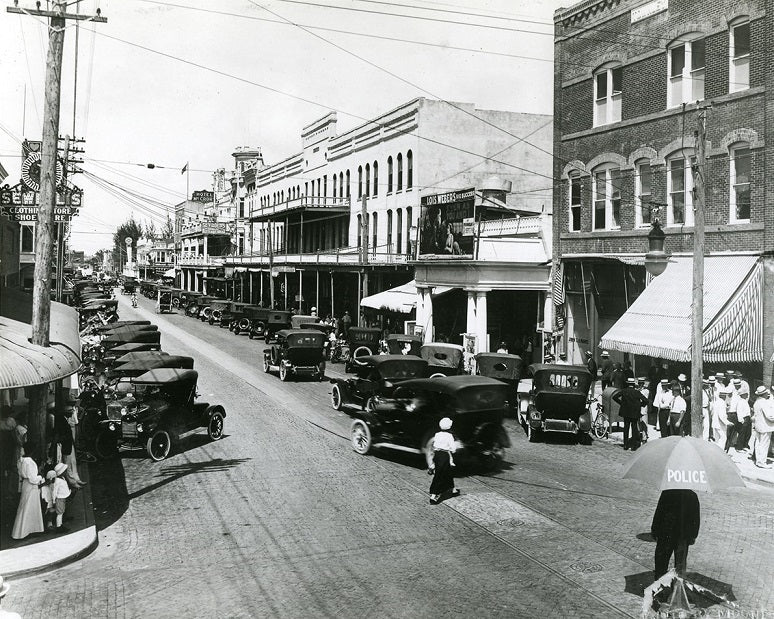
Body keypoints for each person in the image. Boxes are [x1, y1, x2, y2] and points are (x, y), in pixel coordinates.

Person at [651, 489, 700, 580]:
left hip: (666, 534)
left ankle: (659, 585)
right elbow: (695, 518)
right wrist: (693, 535)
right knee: (680, 567)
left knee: (661, 564)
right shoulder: (692, 495)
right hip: (682, 536)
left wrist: (654, 530)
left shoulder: (667, 493)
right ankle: (677, 587)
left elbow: (659, 512)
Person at [11, 440, 44, 540]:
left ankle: (27, 530)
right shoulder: (29, 462)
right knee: (29, 508)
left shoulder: (21, 460)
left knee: (26, 507)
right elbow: (33, 479)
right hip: (31, 486)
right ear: (32, 450)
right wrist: (40, 477)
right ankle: (25, 531)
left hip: (26, 485)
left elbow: (21, 474)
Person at [427, 417, 460, 505]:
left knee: (448, 472)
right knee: (440, 474)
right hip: (444, 456)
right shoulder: (449, 436)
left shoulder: (437, 434)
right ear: (449, 427)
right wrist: (453, 450)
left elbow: (435, 445)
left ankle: (453, 489)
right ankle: (434, 495)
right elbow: (453, 448)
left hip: (437, 455)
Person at [613, 377, 649, 450]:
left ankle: (625, 445)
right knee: (634, 428)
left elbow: (614, 397)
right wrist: (640, 405)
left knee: (626, 428)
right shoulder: (636, 392)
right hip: (634, 413)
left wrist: (622, 403)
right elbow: (646, 400)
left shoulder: (624, 391)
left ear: (628, 384)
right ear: (633, 384)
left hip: (626, 412)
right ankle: (634, 446)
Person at [752, 386, 774, 468]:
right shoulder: (764, 402)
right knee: (764, 445)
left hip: (758, 425)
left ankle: (758, 460)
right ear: (764, 394)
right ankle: (762, 462)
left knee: (758, 443)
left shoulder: (757, 402)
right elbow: (769, 416)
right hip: (765, 426)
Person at [51, 463, 71, 533]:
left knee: (61, 512)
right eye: (64, 471)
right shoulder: (58, 481)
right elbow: (54, 491)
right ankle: (58, 527)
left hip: (63, 497)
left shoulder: (62, 478)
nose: (66, 472)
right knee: (60, 513)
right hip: (59, 499)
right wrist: (54, 500)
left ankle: (60, 524)